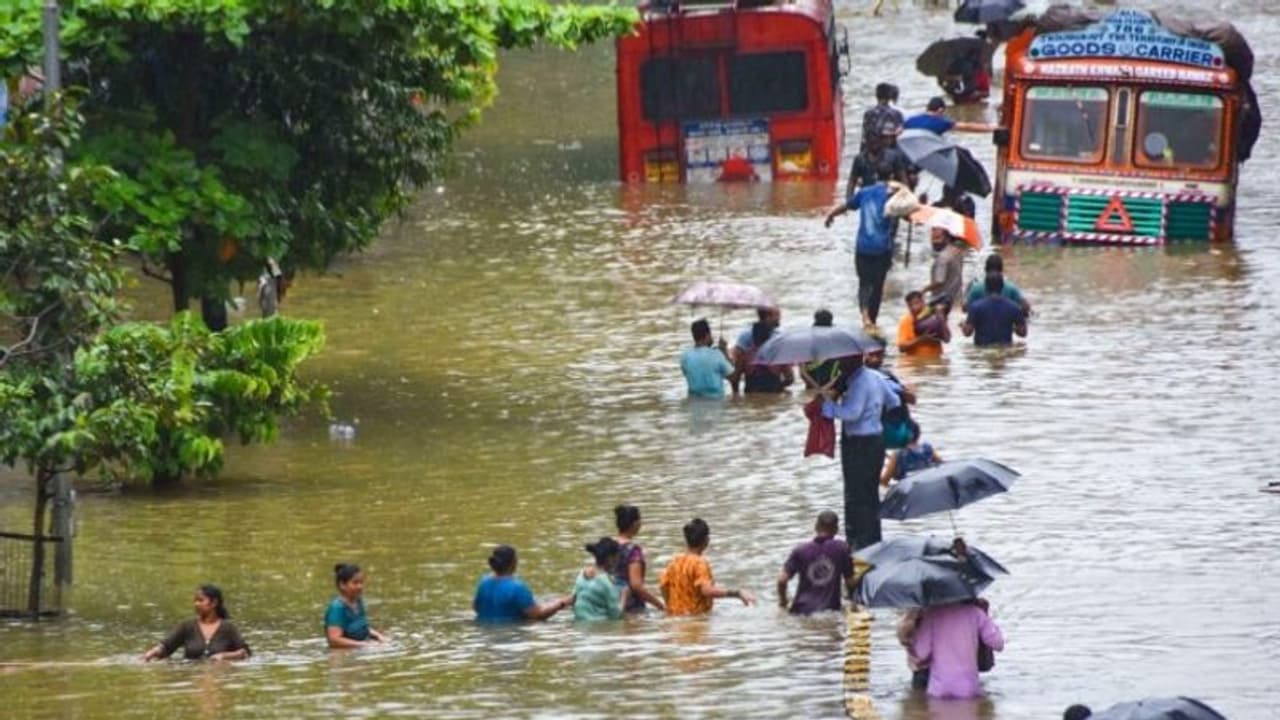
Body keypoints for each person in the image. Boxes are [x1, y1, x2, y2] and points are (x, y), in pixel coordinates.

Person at [821, 354, 900, 549]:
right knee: (870, 494)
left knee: (855, 496)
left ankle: (858, 544)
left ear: (850, 361)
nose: (838, 363)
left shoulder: (857, 383)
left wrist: (829, 407)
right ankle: (873, 541)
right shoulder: (875, 377)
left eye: (842, 360)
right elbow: (894, 401)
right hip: (875, 441)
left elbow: (852, 414)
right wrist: (874, 413)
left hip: (858, 444)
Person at [826, 165, 896, 327]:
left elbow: (847, 206)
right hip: (882, 249)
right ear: (891, 176)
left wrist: (831, 214)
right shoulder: (892, 195)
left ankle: (865, 316)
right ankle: (872, 320)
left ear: (876, 175)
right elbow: (906, 212)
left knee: (864, 283)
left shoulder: (864, 192)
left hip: (863, 246)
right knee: (877, 286)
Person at [658, 518, 756, 615]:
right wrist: (737, 593)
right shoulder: (700, 563)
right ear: (706, 540)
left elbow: (663, 586)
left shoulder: (674, 561)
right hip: (695, 620)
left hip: (676, 620)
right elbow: (707, 591)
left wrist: (670, 607)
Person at [911, 599, 1004, 699]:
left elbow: (921, 653)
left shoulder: (931, 615)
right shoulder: (976, 613)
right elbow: (998, 644)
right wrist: (992, 625)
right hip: (968, 689)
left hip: (939, 690)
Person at [142, 584, 251, 662]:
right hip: (192, 677)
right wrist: (151, 653)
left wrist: (225, 656)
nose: (196, 604)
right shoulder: (187, 626)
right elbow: (166, 647)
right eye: (195, 600)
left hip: (220, 676)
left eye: (200, 600)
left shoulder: (228, 627)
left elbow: (245, 653)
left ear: (214, 603)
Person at [776, 510, 855, 615]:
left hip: (800, 611)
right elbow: (850, 581)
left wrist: (783, 602)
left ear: (816, 527)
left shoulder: (800, 550)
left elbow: (782, 580)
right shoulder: (842, 549)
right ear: (836, 529)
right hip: (829, 611)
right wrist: (851, 598)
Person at [473, 545, 573, 622]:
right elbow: (537, 616)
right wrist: (562, 603)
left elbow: (476, 608)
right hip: (509, 637)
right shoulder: (517, 587)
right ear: (513, 563)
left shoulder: (483, 582)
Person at [611, 504, 665, 613]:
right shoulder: (633, 551)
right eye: (639, 519)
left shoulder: (607, 545)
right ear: (635, 523)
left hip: (610, 602)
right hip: (631, 608)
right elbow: (636, 586)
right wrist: (661, 606)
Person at [324, 563, 387, 649]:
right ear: (342, 585)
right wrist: (366, 645)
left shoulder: (358, 601)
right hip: (342, 656)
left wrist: (379, 636)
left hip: (360, 648)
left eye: (361, 582)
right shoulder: (337, 608)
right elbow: (334, 640)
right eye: (355, 583)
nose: (360, 586)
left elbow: (361, 627)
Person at [730, 308, 791, 393]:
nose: (779, 317)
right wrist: (779, 387)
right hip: (774, 398)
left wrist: (736, 395)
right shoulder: (778, 355)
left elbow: (735, 379)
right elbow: (790, 379)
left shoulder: (745, 356)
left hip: (751, 400)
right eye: (777, 314)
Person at [962, 274, 1027, 347]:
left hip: (981, 349)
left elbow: (967, 333)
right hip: (1005, 349)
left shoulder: (975, 307)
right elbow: (1023, 333)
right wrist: (1012, 327)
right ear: (1002, 286)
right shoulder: (1014, 307)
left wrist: (963, 325)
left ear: (985, 287)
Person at [574, 537, 629, 621]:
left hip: (579, 625)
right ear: (610, 558)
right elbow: (616, 615)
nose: (618, 561)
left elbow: (574, 600)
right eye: (617, 557)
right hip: (598, 627)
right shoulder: (607, 582)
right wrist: (624, 596)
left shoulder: (581, 575)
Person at [680, 318, 734, 398]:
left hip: (694, 403)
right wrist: (725, 351)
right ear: (707, 335)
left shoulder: (685, 357)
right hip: (716, 403)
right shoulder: (717, 355)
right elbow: (733, 377)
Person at [922, 228, 967, 318]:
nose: (934, 242)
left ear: (947, 238)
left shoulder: (942, 258)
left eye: (938, 238)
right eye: (933, 238)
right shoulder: (957, 252)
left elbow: (939, 281)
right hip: (957, 300)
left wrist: (924, 290)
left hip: (942, 304)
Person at [962, 254, 1030, 314]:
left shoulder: (976, 288)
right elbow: (1026, 307)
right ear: (1001, 269)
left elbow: (965, 309)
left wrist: (966, 295)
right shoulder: (1011, 287)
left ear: (985, 269)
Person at [903, 96, 995, 135]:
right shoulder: (941, 122)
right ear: (940, 110)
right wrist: (992, 128)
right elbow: (967, 126)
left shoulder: (910, 120)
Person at [897, 291, 948, 358]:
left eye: (917, 303)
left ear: (923, 302)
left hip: (935, 361)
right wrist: (921, 339)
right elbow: (901, 348)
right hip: (915, 362)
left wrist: (941, 319)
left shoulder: (935, 316)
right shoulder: (905, 321)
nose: (914, 307)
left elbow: (947, 339)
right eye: (910, 305)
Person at [800, 309, 842, 390]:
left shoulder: (805, 342)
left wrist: (817, 388)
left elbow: (803, 373)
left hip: (811, 389)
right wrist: (826, 388)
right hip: (833, 389)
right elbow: (842, 372)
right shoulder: (838, 342)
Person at [860, 82, 904, 153]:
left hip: (870, 152)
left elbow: (864, 136)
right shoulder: (896, 114)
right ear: (890, 97)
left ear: (876, 96)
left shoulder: (868, 113)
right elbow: (899, 133)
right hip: (889, 154)